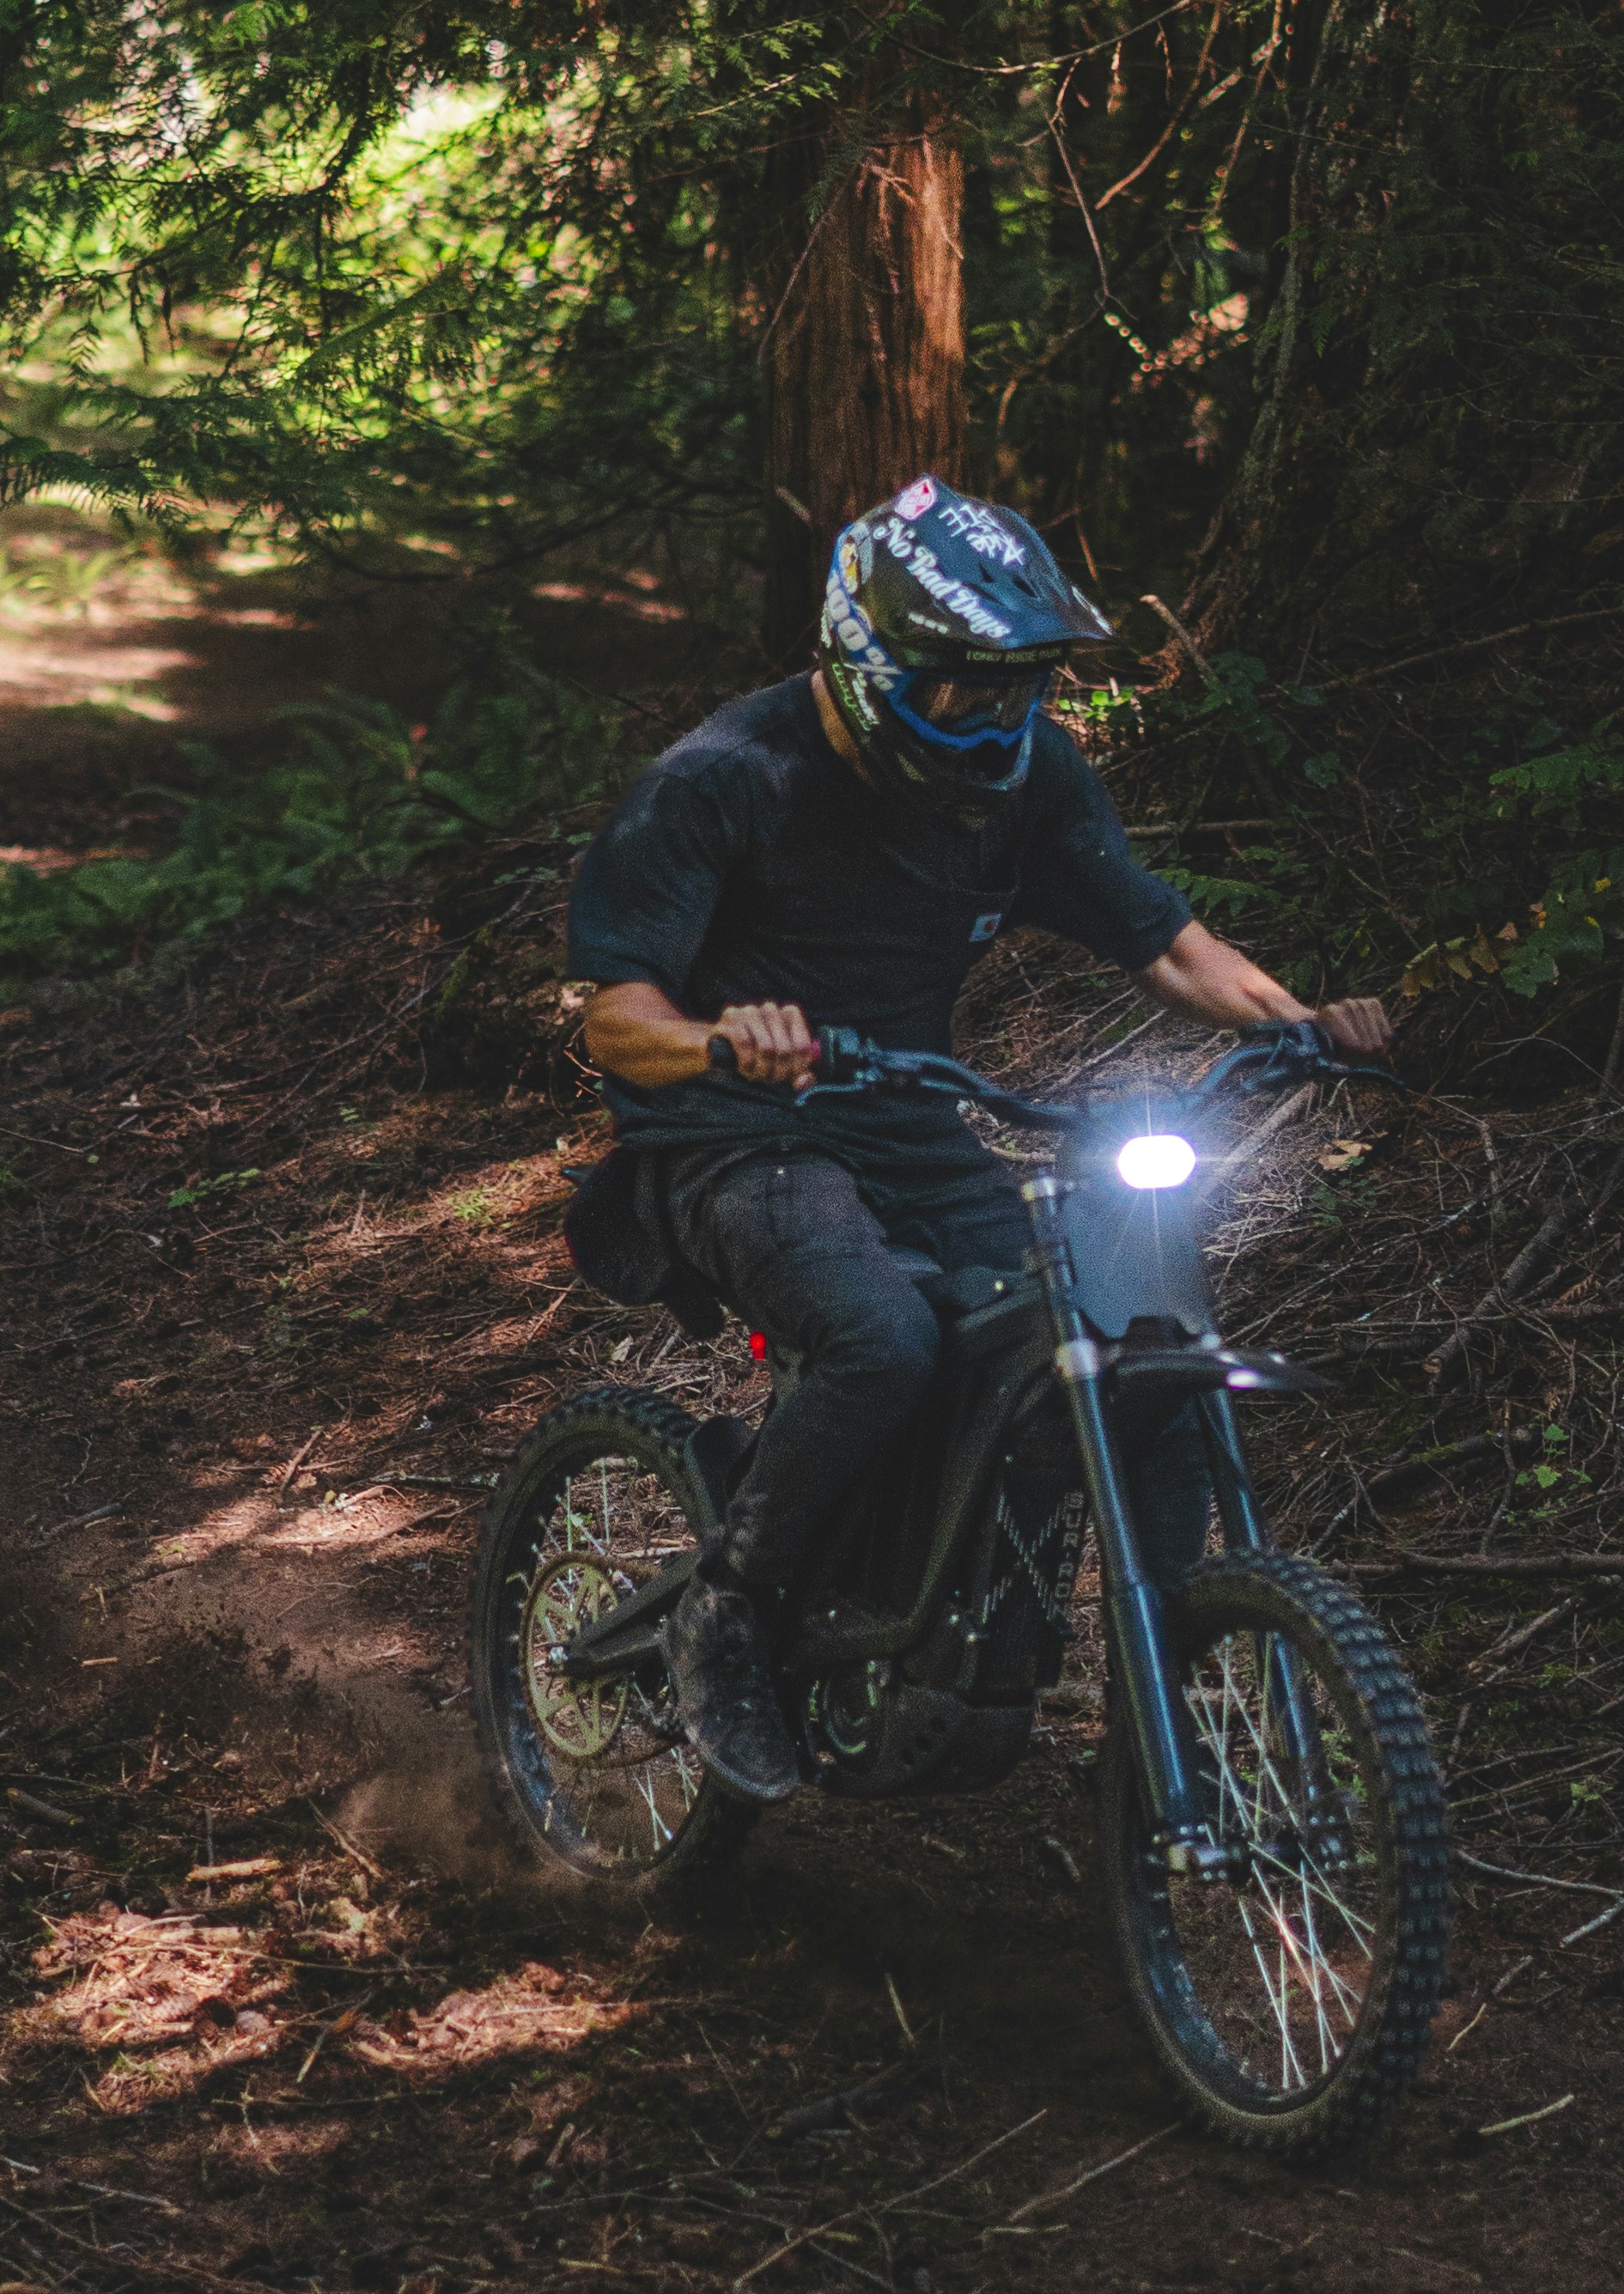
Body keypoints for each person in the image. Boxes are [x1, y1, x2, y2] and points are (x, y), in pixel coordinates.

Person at [563, 478, 1391, 1802]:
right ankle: (727, 1608)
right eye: (961, 690)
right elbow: (615, 1018)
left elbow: (1168, 944)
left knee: (1115, 1351)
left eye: (1021, 689)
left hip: (906, 1124)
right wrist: (720, 1038)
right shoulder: (726, 778)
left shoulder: (1030, 775)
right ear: (869, 662)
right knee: (883, 1337)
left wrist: (1301, 1024)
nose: (996, 720)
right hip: (731, 1136)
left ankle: (1160, 1704)